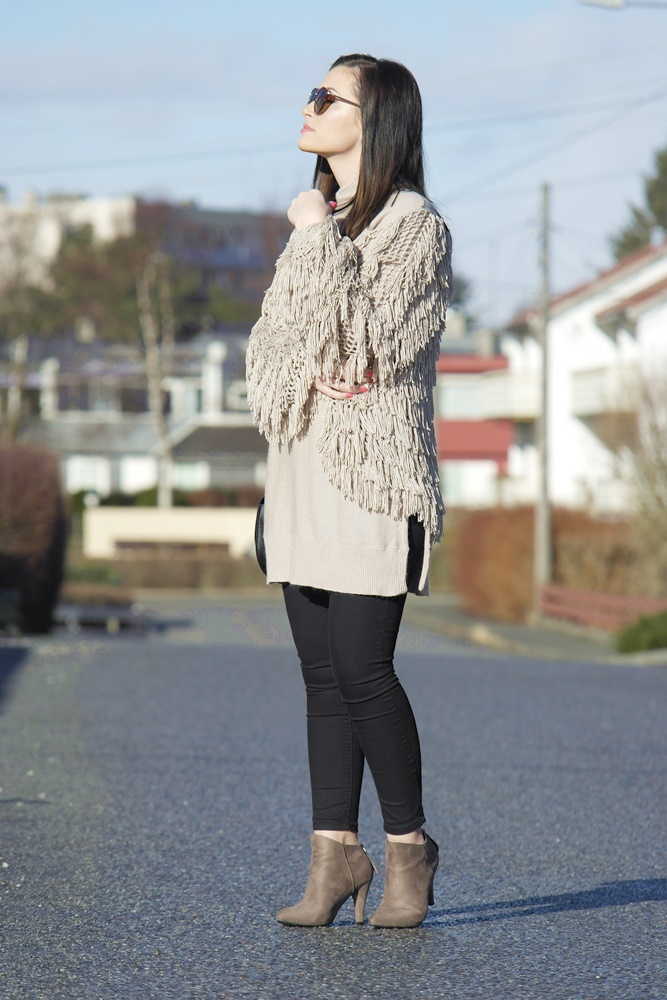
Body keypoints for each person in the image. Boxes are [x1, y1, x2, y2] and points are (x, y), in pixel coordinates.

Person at [245, 53, 452, 929]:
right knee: (320, 679)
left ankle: (408, 850)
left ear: (377, 119)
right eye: (312, 92)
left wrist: (310, 241)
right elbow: (270, 358)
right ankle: (334, 856)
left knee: (364, 672)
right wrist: (313, 245)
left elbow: (363, 341)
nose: (309, 105)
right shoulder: (320, 219)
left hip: (371, 479)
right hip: (298, 473)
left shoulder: (414, 226)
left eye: (327, 97)